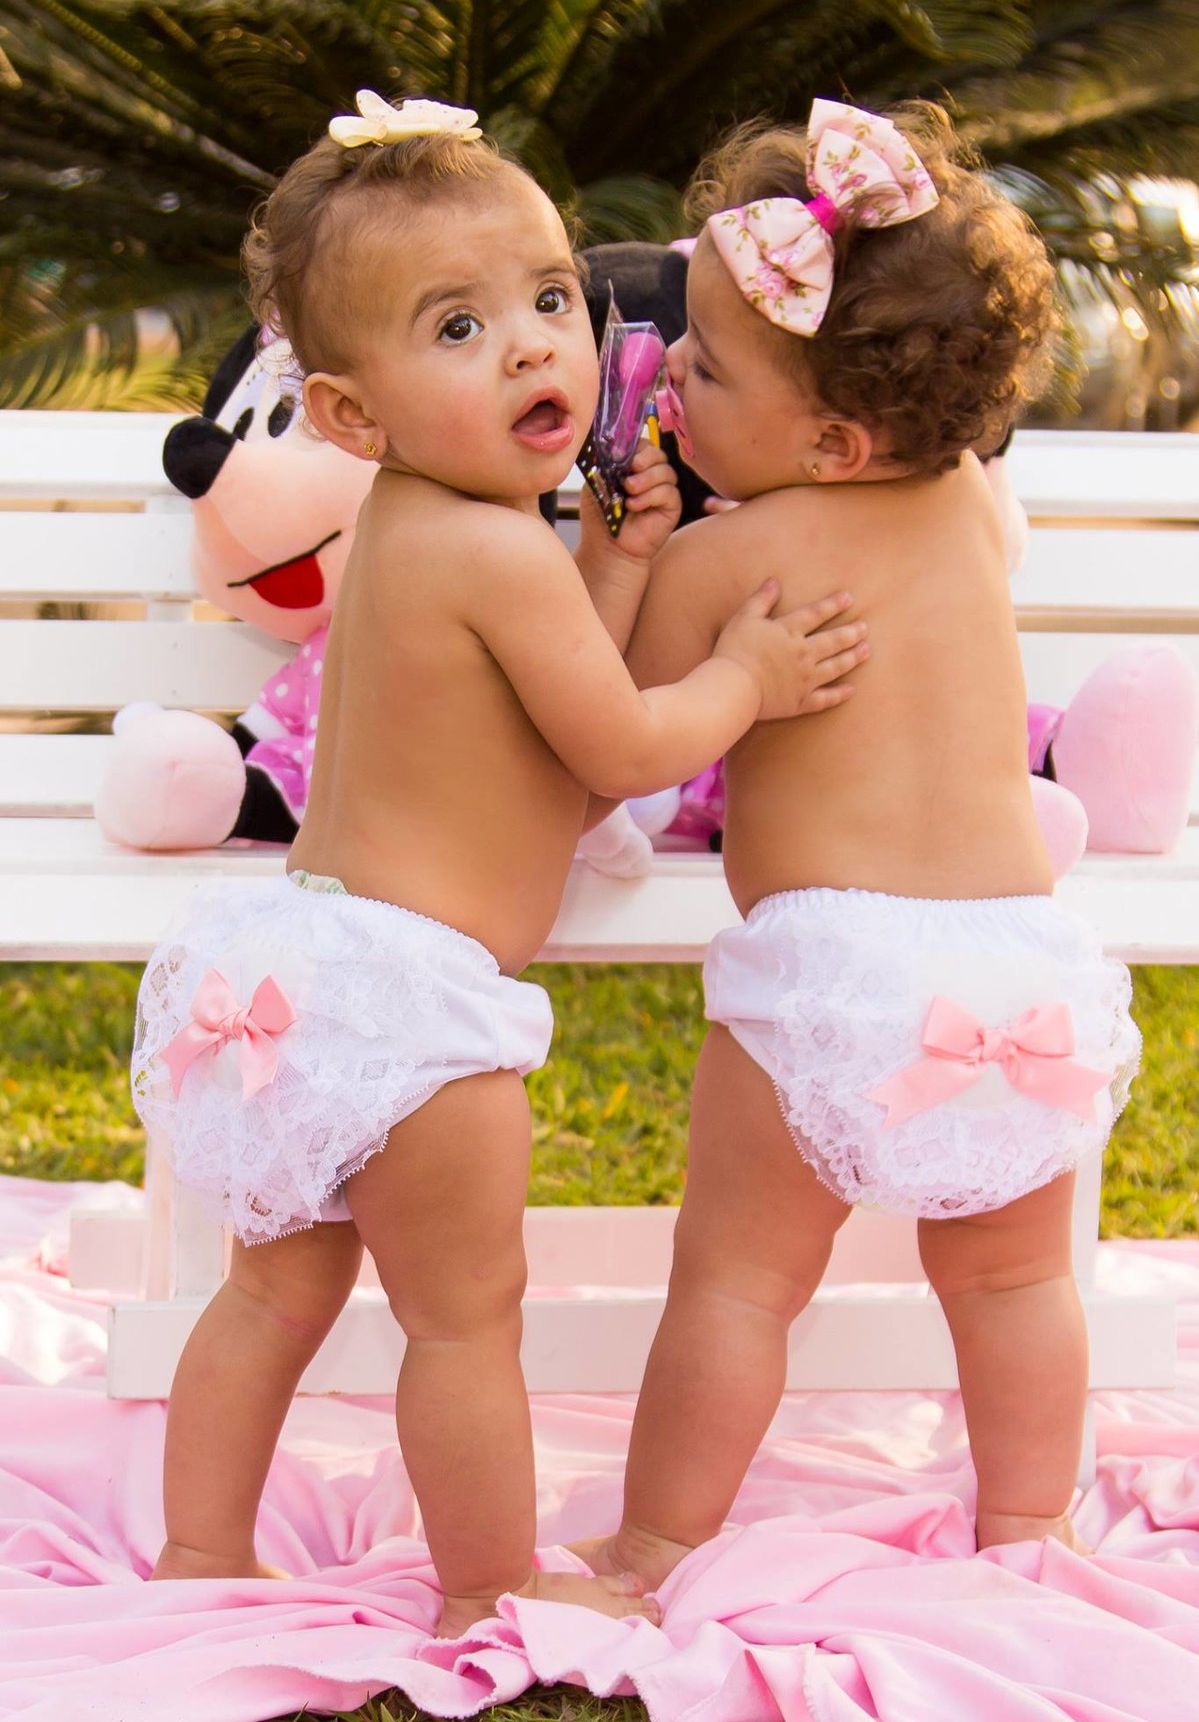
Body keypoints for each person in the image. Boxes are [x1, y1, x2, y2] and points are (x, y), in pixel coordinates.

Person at [130, 91, 870, 1638]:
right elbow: (619, 745)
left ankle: (199, 1551)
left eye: (548, 298)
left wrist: (613, 557)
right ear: (350, 415)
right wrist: (743, 678)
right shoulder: (488, 549)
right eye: (459, 328)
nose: (535, 347)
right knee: (466, 1320)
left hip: (312, 972)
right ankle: (487, 1583)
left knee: (272, 1291)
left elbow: (537, 725)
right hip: (416, 1013)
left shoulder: (421, 529)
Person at [575, 99, 1140, 1591]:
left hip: (834, 971)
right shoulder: (965, 511)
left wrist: (625, 554)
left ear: (832, 441)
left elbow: (616, 725)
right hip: (1016, 977)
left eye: (705, 364)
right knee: (1013, 1284)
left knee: (738, 1285)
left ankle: (653, 1546)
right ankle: (1031, 1530)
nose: (672, 374)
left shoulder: (726, 559)